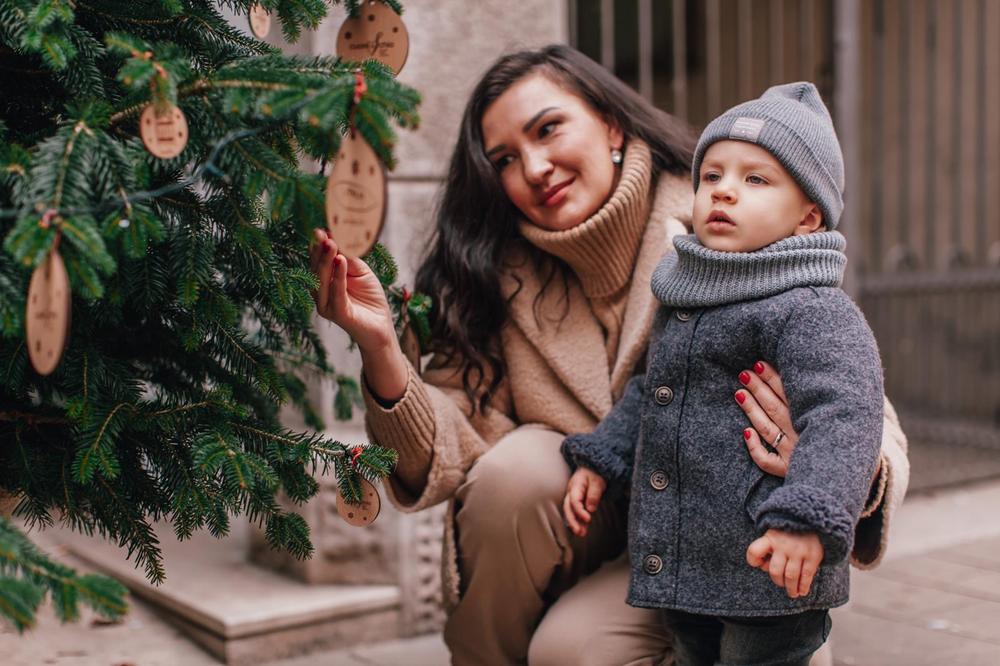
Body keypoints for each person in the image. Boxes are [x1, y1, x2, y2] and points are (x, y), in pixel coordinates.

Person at [309, 45, 909, 666]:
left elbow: (857, 405)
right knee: (516, 486)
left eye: (548, 129)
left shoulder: (735, 243)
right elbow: (449, 446)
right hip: (614, 535)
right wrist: (380, 348)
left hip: (743, 546)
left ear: (612, 126)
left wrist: (815, 489)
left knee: (631, 652)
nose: (535, 167)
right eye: (505, 159)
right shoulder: (491, 271)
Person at [562, 82, 883, 666]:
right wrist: (604, 456)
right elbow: (654, 391)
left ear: (808, 216)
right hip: (688, 559)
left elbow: (846, 416)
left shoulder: (811, 308)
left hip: (771, 560)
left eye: (755, 179)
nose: (724, 190)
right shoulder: (689, 293)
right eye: (712, 175)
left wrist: (807, 517)